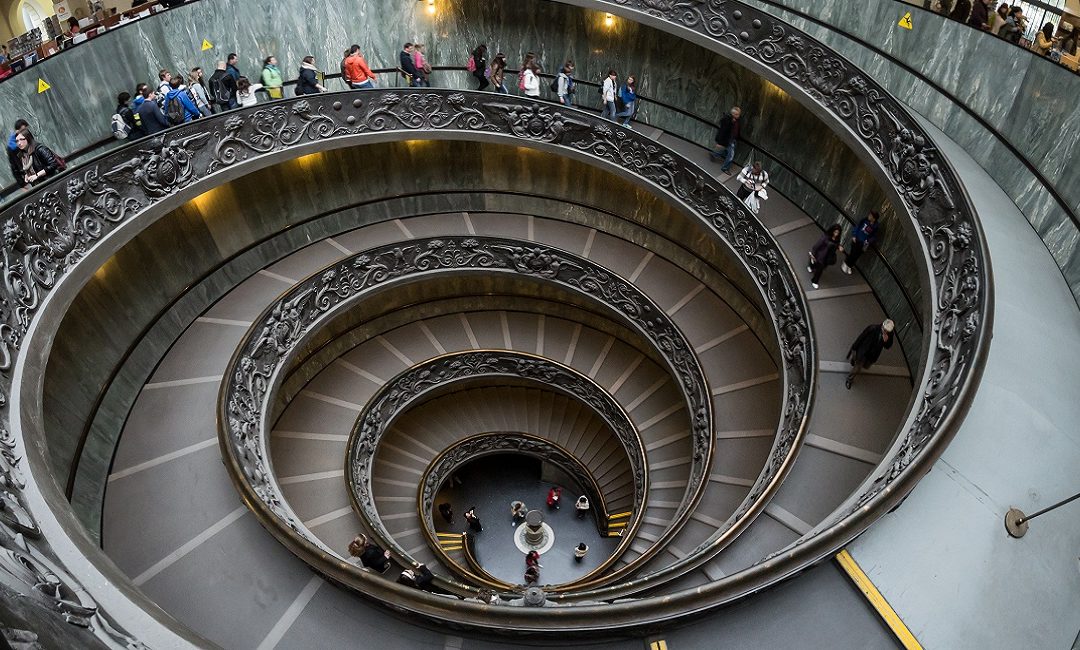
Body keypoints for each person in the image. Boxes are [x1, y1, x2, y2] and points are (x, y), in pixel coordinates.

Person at [846, 319, 895, 389]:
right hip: (864, 351)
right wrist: (854, 347)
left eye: (888, 331)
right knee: (858, 368)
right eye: (885, 329)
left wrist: (886, 341)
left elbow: (888, 346)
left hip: (873, 355)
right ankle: (849, 379)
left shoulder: (890, 334)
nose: (886, 331)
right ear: (883, 325)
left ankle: (854, 360)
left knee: (866, 366)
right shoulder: (873, 328)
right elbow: (861, 337)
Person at [841, 210, 881, 274]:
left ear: (874, 218)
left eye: (871, 215)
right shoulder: (864, 220)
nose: (869, 216)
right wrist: (854, 235)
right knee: (852, 254)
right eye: (869, 214)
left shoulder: (875, 227)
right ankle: (845, 264)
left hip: (863, 243)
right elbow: (857, 227)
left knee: (857, 256)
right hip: (856, 239)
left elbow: (874, 236)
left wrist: (868, 241)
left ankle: (849, 266)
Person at [808, 224, 843, 290]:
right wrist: (813, 254)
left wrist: (839, 247)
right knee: (820, 269)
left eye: (838, 233)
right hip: (821, 255)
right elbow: (817, 245)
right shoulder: (825, 237)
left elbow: (835, 245)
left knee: (820, 266)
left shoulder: (837, 239)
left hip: (828, 256)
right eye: (835, 232)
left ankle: (811, 266)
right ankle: (814, 281)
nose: (836, 234)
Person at [710, 106, 742, 173]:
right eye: (736, 114)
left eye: (738, 114)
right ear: (732, 114)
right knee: (730, 155)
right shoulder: (727, 120)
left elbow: (737, 130)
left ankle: (714, 154)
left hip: (732, 140)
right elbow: (722, 131)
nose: (738, 116)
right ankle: (725, 168)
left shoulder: (737, 121)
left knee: (724, 151)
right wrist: (719, 142)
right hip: (728, 140)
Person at [6, 119, 29, 184]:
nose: (25, 132)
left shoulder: (27, 137)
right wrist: (21, 183)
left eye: (26, 130)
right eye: (22, 130)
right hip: (25, 175)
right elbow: (14, 166)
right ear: (17, 131)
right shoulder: (12, 146)